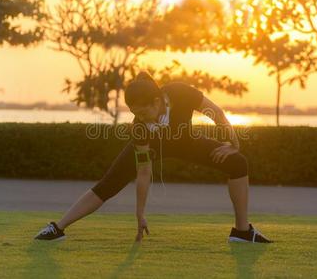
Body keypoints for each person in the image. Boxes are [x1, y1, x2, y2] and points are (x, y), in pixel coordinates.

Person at [34, 71, 272, 243]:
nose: (142, 117)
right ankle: (57, 228)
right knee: (108, 185)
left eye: (145, 111)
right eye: (136, 113)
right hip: (155, 147)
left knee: (238, 163)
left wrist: (233, 143)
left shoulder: (181, 93)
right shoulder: (139, 127)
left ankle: (242, 232)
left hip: (185, 142)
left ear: (157, 101)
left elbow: (216, 113)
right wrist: (140, 213)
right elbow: (144, 172)